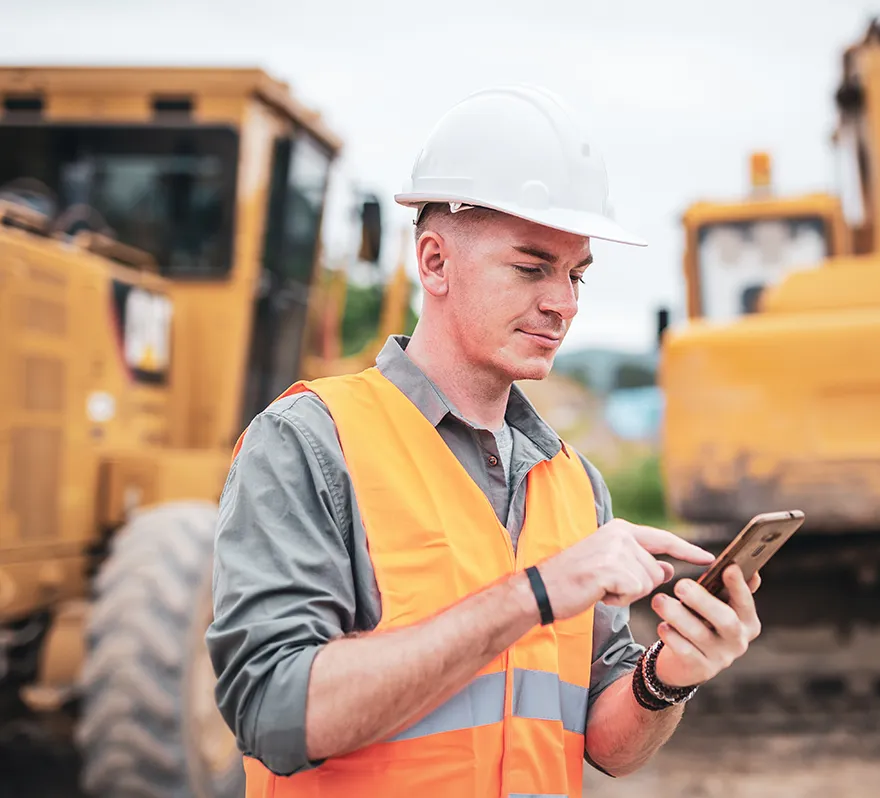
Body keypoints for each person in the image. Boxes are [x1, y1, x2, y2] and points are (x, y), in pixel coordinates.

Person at [207, 85, 763, 798]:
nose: (562, 302)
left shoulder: (572, 482)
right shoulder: (311, 443)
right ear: (434, 263)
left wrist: (665, 679)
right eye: (531, 267)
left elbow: (608, 747)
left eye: (576, 274)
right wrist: (534, 593)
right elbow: (273, 713)